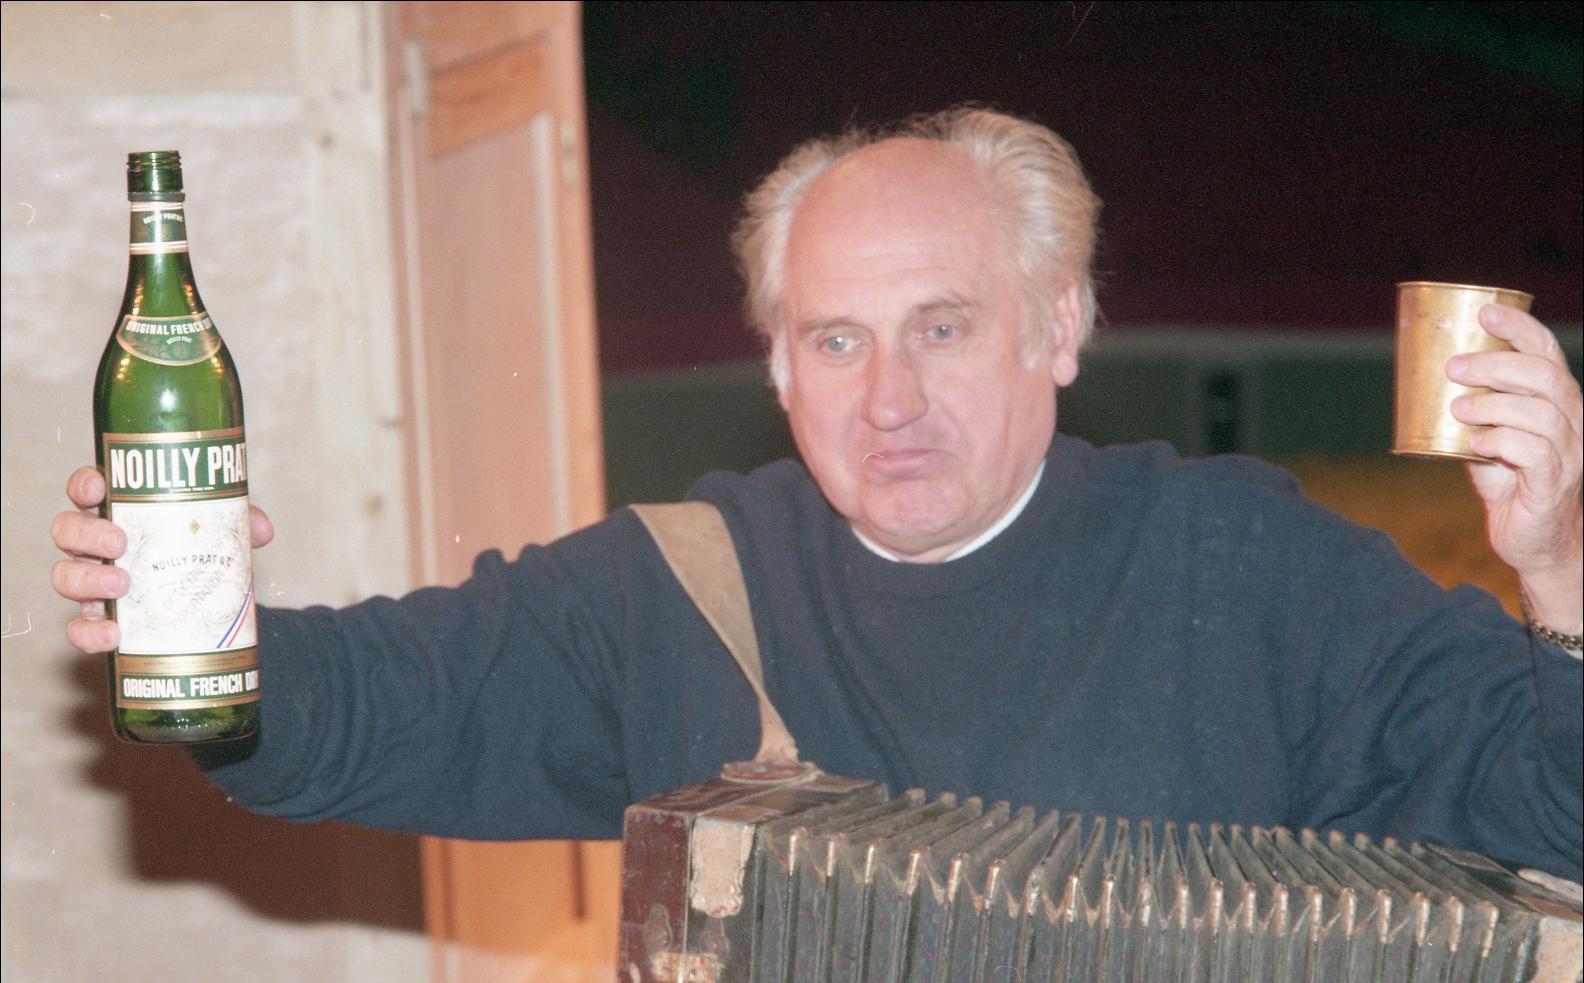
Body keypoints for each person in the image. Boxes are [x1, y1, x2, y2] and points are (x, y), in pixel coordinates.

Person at [51, 108, 1583, 879]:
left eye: (943, 329)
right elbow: (372, 710)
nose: (886, 399)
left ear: (1060, 327)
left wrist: (1565, 568)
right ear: (778, 364)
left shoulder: (1250, 568)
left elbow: (1551, 812)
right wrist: (197, 629)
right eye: (835, 340)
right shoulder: (685, 589)